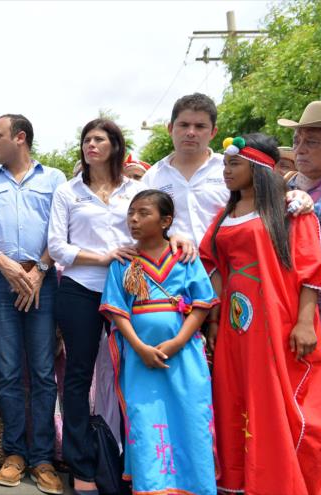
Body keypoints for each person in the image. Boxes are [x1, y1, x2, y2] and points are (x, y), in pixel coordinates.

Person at [201, 133, 321, 494]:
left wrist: (305, 323)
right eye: (225, 163)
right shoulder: (223, 216)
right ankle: (241, 478)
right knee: (235, 393)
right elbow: (212, 265)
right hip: (234, 323)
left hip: (277, 317)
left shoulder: (289, 210)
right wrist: (213, 319)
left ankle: (276, 480)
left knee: (273, 397)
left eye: (234, 164)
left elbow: (310, 268)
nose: (226, 171)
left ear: (257, 168)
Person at [0, 114, 66, 493]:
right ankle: (14, 454)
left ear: (20, 138)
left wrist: (38, 271)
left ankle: (42, 458)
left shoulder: (54, 179)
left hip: (42, 280)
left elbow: (60, 230)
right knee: (7, 372)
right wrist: (5, 264)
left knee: (42, 372)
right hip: (0, 279)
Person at [47, 119, 147, 495]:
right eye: (86, 139)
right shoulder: (67, 191)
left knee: (133, 372)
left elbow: (154, 229)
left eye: (99, 139)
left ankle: (134, 462)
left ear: (115, 145)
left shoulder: (137, 189)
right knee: (77, 377)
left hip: (130, 290)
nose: (91, 144)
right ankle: (82, 466)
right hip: (80, 289)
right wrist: (103, 258)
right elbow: (58, 247)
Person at [100, 189, 217, 494]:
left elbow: (202, 304)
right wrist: (138, 347)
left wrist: (178, 341)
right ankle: (152, 487)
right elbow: (117, 311)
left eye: (143, 213)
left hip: (184, 355)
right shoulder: (123, 262)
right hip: (140, 360)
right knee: (145, 420)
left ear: (166, 221)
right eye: (131, 213)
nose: (134, 220)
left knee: (191, 416)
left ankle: (195, 486)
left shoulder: (185, 257)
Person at [142, 93, 312, 245]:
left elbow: (269, 200)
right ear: (170, 129)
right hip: (171, 273)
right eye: (184, 125)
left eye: (200, 126)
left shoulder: (233, 170)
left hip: (227, 270)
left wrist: (297, 195)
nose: (191, 132)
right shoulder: (152, 178)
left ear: (213, 132)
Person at [280, 100, 321, 350]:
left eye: (311, 142)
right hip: (285, 308)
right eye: (297, 140)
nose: (299, 149)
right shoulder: (283, 188)